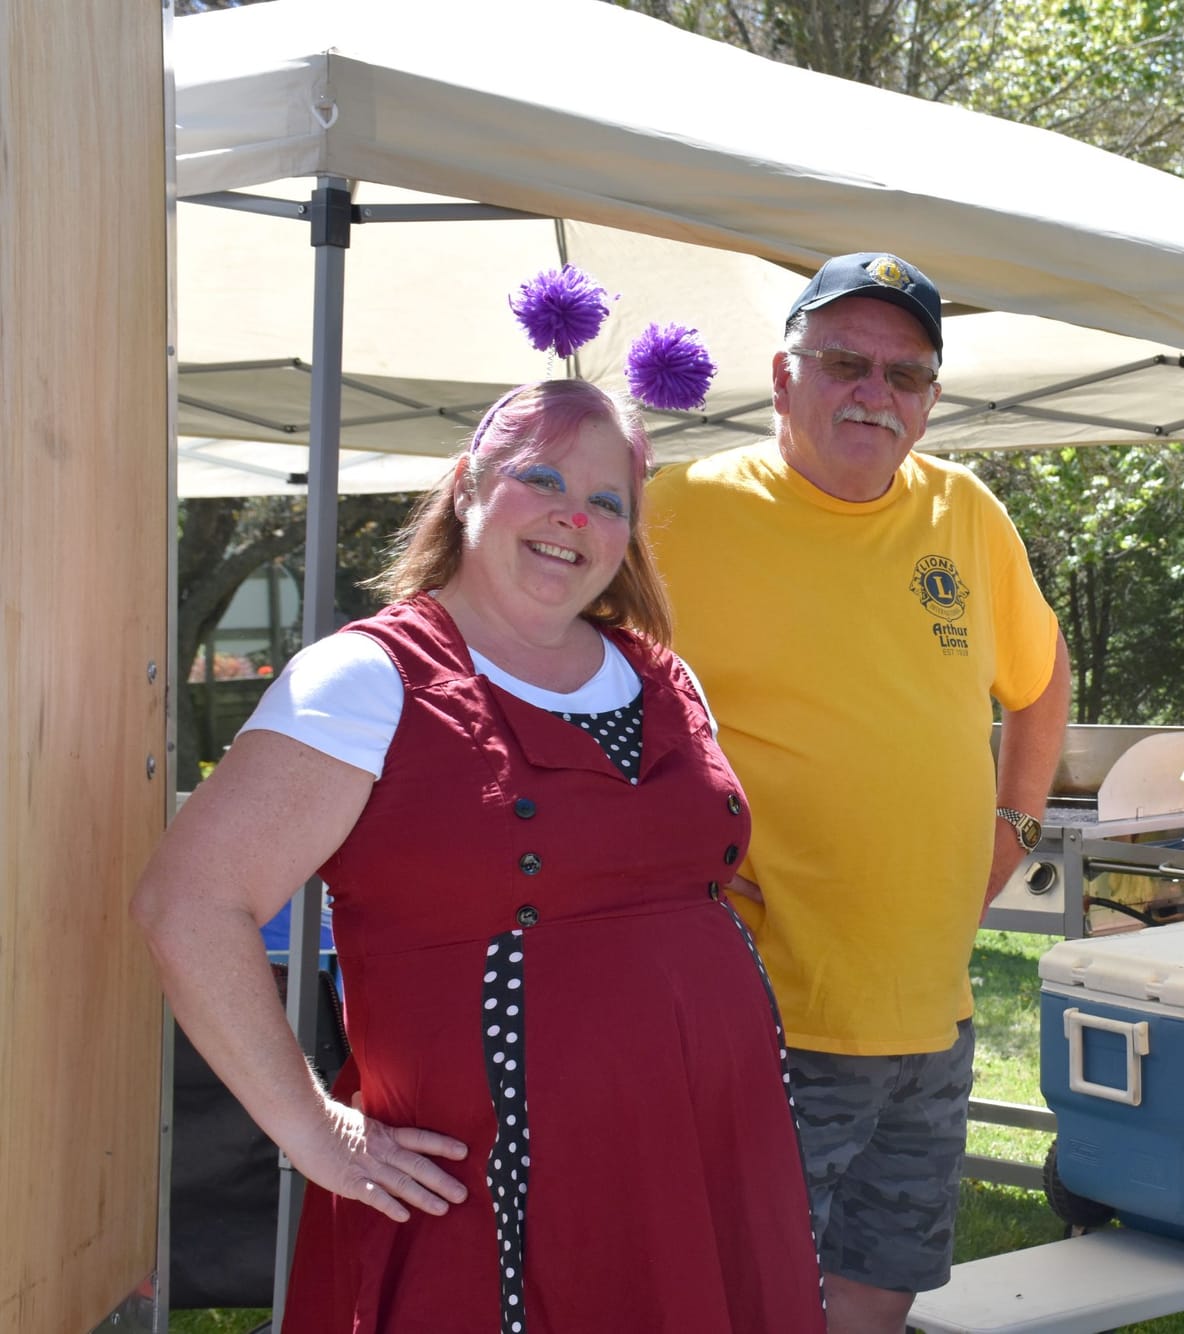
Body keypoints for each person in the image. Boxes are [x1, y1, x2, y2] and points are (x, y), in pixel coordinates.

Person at [131, 380, 826, 1333]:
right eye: (540, 478)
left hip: (706, 1158)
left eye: (607, 500)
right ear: (465, 489)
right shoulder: (367, 678)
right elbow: (188, 904)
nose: (572, 517)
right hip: (493, 1194)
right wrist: (312, 1131)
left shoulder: (666, 674)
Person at [644, 253, 1071, 1334]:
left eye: (905, 374)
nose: (874, 392)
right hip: (764, 1002)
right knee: (746, 1288)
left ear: (928, 401)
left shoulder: (963, 511)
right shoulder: (677, 510)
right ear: (783, 378)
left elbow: (1041, 677)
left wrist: (1012, 826)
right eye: (844, 362)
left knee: (882, 1279)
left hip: (932, 1006)